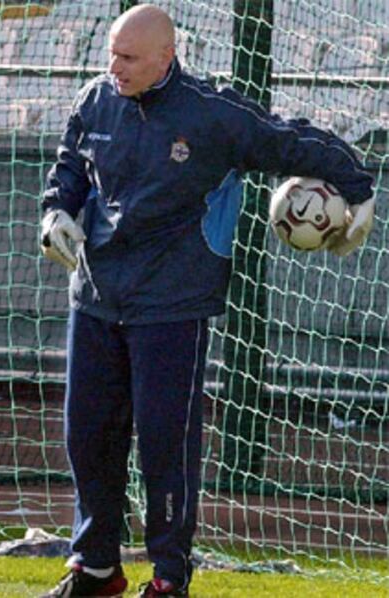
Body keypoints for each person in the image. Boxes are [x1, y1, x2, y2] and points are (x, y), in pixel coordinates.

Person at [39, 4, 375, 597]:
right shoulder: (96, 99)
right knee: (88, 437)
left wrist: (358, 187)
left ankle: (169, 577)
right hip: (93, 296)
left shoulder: (213, 114)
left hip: (172, 307)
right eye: (112, 53)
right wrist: (56, 210)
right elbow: (70, 165)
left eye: (129, 57)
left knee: (166, 444)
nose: (114, 66)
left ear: (167, 57)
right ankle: (95, 567)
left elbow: (287, 139)